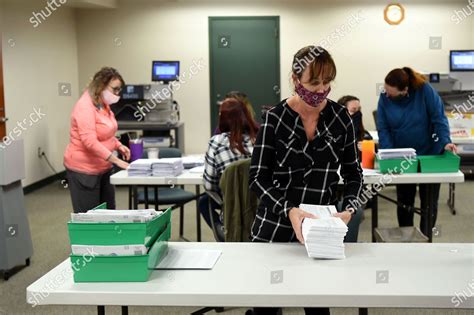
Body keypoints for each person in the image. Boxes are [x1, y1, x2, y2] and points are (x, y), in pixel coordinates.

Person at [249, 46, 363, 315]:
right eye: (313, 82)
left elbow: (353, 174)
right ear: (295, 79)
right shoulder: (275, 118)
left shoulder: (340, 118)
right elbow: (257, 177)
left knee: (317, 308)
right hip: (274, 227)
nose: (321, 89)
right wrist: (288, 209)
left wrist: (349, 209)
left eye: (327, 82)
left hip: (320, 229)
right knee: (266, 307)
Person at [377, 67, 457, 235]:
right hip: (402, 156)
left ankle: (426, 239)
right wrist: (389, 155)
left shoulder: (424, 90)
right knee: (404, 201)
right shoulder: (385, 98)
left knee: (429, 202)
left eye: (391, 93)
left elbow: (439, 118)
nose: (387, 95)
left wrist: (445, 142)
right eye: (386, 91)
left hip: (430, 154)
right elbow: (383, 129)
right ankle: (406, 238)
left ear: (405, 90)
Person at [64, 67, 130, 213]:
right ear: (101, 86)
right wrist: (117, 161)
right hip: (84, 170)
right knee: (90, 218)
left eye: (119, 90)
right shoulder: (84, 106)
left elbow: (106, 131)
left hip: (103, 167)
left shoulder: (102, 103)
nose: (117, 94)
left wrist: (118, 145)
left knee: (109, 213)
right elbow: (90, 142)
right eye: (115, 89)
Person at [200, 98, 258, 240]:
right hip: (261, 207)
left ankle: (225, 233)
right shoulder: (260, 140)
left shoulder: (217, 142)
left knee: (203, 201)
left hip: (231, 209)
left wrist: (229, 194)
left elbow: (209, 185)